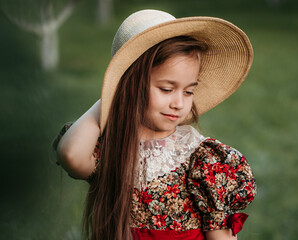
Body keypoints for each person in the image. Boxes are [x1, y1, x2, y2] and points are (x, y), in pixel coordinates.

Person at [53, 9, 256, 240]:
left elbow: (219, 236)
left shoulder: (199, 159)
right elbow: (71, 155)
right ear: (130, 86)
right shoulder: (111, 148)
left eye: (189, 91)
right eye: (166, 89)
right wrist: (110, 96)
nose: (179, 103)